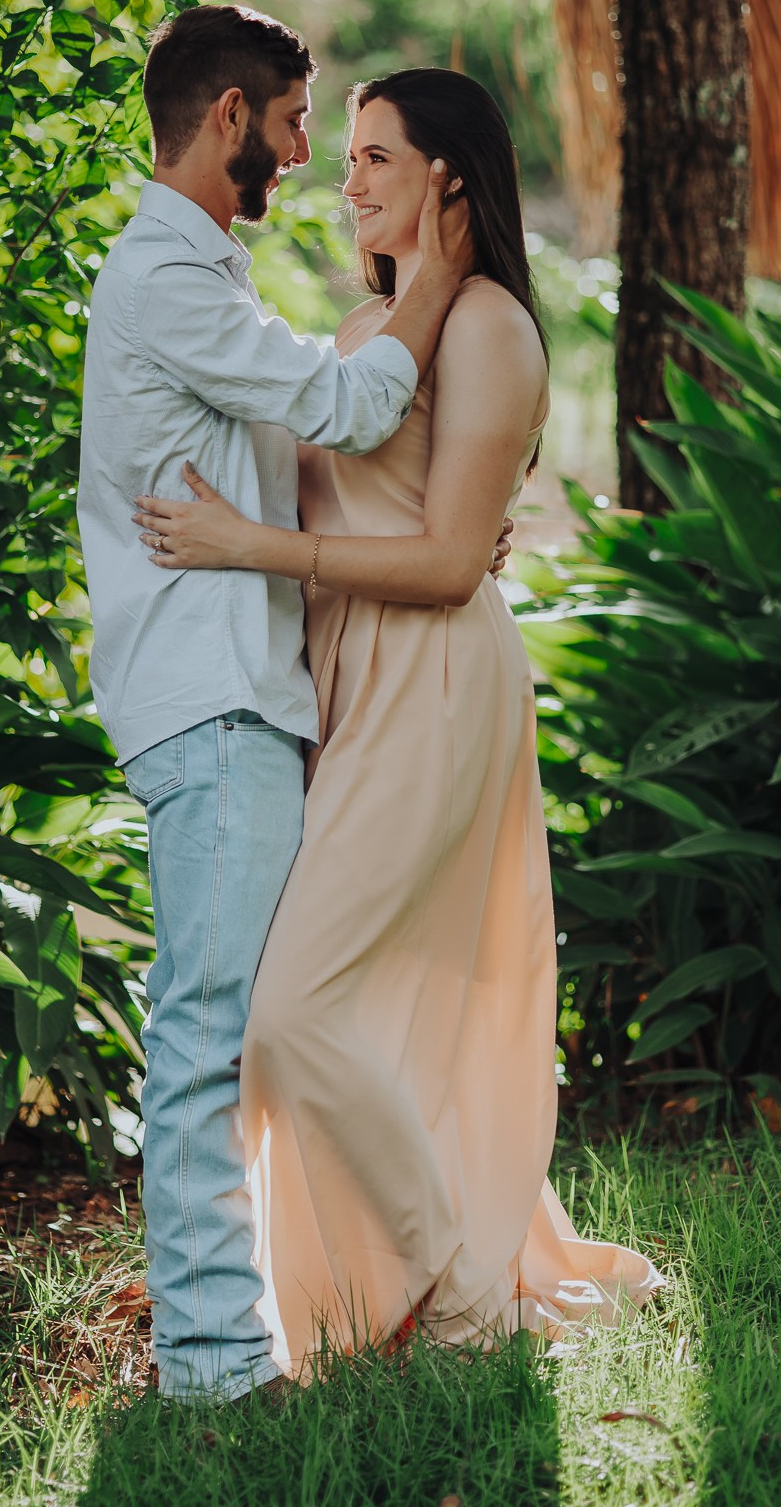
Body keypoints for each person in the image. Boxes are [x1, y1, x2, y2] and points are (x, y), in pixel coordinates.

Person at [133, 68, 663, 1374]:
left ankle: (463, 1301)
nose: (347, 177)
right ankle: (397, 1287)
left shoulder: (488, 329)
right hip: (346, 688)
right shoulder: (384, 325)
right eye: (349, 152)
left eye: (376, 156)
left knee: (294, 1015)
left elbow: (444, 561)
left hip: (430, 683)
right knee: (321, 1012)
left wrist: (244, 542)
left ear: (449, 177)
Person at [77, 8, 483, 1402]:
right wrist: (437, 268)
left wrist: (441, 526)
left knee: (245, 1022)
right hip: (210, 699)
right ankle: (209, 1365)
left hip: (242, 695)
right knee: (207, 1030)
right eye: (300, 122)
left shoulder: (204, 273)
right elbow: (350, 404)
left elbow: (301, 464)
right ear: (233, 115)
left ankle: (282, 1313)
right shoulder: (169, 280)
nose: (312, 156)